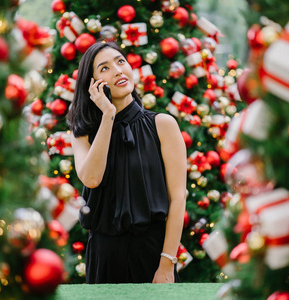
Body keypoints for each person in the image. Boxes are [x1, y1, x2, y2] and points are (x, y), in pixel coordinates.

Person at [67, 42, 186, 284]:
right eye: (105, 68)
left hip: (153, 255)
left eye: (121, 61)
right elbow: (91, 178)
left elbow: (178, 198)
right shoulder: (82, 133)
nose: (118, 70)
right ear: (92, 84)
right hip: (103, 256)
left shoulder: (163, 125)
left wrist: (166, 264)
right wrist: (108, 116)